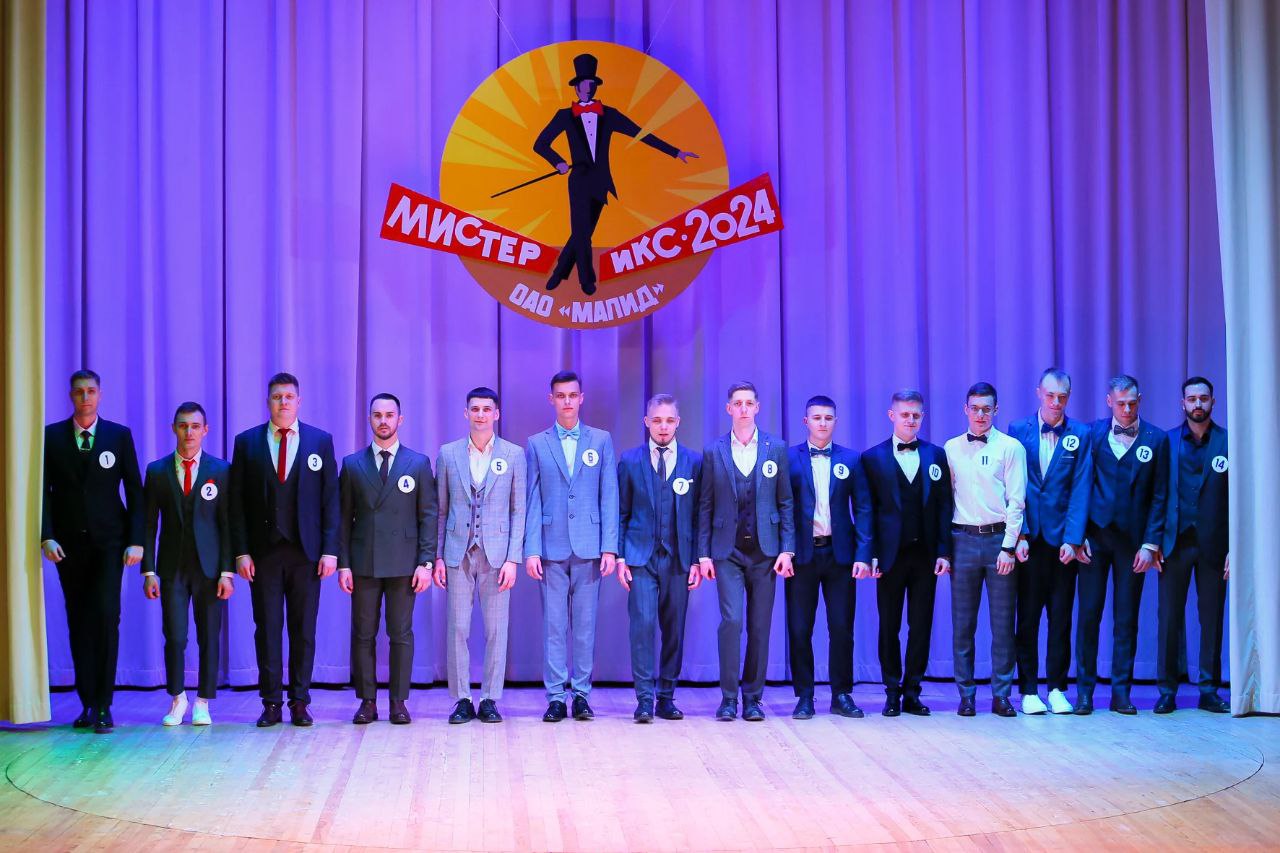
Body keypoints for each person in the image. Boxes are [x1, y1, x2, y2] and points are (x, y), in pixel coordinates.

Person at [533, 53, 698, 295]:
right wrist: (557, 162)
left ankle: (559, 272)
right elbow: (540, 144)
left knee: (581, 232)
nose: (587, 89)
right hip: (579, 180)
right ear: (576, 87)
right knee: (582, 233)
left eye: (591, 84)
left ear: (595, 87)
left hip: (601, 182)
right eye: (584, 84)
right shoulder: (564, 116)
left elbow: (640, 133)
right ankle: (586, 280)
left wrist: (675, 152)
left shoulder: (609, 114)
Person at [230, 372, 340, 727]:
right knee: (267, 628)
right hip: (263, 554)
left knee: (303, 629)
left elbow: (331, 499)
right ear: (268, 402)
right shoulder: (246, 443)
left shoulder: (319, 441)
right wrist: (241, 552)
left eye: (289, 397)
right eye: (277, 397)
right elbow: (236, 504)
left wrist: (330, 550)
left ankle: (300, 701)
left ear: (299, 401)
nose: (283, 403)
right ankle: (271, 703)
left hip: (306, 553)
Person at [41, 369, 144, 733]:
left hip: (109, 543)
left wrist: (136, 540)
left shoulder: (118, 435)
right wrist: (46, 535)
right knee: (78, 620)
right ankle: (86, 703)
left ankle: (104, 703)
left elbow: (135, 491)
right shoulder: (52, 436)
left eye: (91, 391)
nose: (85, 397)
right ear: (71, 396)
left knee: (106, 617)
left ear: (100, 395)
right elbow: (42, 492)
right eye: (79, 392)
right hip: (68, 546)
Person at [697, 381, 795, 722]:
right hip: (727, 552)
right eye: (737, 403)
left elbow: (785, 501)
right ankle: (728, 698)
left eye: (748, 403)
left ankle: (753, 698)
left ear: (757, 407)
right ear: (728, 408)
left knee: (760, 626)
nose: (742, 408)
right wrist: (704, 554)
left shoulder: (775, 448)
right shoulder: (714, 451)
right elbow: (705, 505)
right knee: (732, 621)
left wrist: (787, 549)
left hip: (765, 553)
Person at [524, 370, 619, 722]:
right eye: (560, 396)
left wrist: (609, 547)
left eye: (572, 395)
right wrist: (531, 549)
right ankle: (555, 697)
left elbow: (609, 494)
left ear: (581, 398)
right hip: (551, 549)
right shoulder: (537, 443)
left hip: (589, 547)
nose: (567, 401)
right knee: (553, 627)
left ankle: (581, 694)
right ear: (551, 400)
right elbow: (532, 499)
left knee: (584, 626)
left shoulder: (601, 440)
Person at [337, 393, 437, 725]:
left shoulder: (418, 463)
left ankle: (398, 701)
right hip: (364, 562)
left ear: (400, 420)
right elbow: (343, 519)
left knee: (401, 633)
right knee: (363, 634)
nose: (383, 421)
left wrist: (426, 562)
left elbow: (428, 516)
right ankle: (367, 701)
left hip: (404, 563)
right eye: (377, 415)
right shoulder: (352, 464)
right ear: (370, 419)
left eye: (389, 415)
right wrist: (344, 564)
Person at [434, 387, 527, 724]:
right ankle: (462, 698)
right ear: (466, 413)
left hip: (497, 554)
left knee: (495, 630)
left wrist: (513, 559)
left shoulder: (514, 454)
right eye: (475, 409)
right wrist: (438, 557)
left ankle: (489, 698)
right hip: (458, 551)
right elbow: (440, 510)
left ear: (496, 414)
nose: (481, 415)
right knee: (457, 628)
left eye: (487, 409)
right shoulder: (448, 454)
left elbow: (519, 510)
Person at [1077, 375, 1169, 714]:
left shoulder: (1157, 439)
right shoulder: (1092, 433)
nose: (1127, 409)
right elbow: (1080, 487)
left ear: (1140, 400)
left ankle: (1121, 693)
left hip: (1133, 543)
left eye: (1132, 403)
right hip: (1095, 539)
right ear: (1109, 402)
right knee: (1088, 616)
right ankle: (1084, 693)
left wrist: (1151, 543)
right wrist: (1077, 537)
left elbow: (1160, 495)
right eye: (1121, 404)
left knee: (1126, 619)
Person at [141, 402, 234, 726]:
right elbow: (148, 525)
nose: (189, 432)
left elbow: (228, 525)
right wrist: (149, 571)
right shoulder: (157, 471)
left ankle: (203, 701)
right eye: (183, 426)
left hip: (209, 569)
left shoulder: (221, 471)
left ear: (205, 430)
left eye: (195, 426)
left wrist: (227, 572)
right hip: (172, 568)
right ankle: (178, 698)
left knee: (209, 637)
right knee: (176, 636)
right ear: (174, 429)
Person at [860, 389, 953, 717]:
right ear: (892, 416)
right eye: (905, 415)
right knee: (889, 625)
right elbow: (867, 510)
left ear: (922, 417)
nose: (910, 420)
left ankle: (913, 691)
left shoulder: (936, 455)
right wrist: (870, 553)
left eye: (916, 415)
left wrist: (944, 551)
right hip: (889, 557)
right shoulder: (872, 458)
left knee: (921, 625)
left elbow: (944, 507)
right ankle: (891, 691)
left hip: (925, 556)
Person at [1007, 368, 1092, 715]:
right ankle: (1028, 689)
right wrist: (1020, 534)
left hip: (1062, 544)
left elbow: (1081, 487)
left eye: (1062, 397)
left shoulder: (1081, 434)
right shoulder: (1018, 430)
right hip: (1029, 541)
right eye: (1051, 395)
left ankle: (1057, 687)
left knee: (1061, 618)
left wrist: (1074, 539)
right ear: (1038, 393)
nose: (1056, 402)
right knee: (1027, 618)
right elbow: (1013, 486)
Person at [616, 394, 702, 723]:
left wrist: (697, 559)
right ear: (646, 422)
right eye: (656, 420)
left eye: (669, 420)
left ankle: (666, 697)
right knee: (642, 626)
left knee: (674, 629)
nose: (663, 427)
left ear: (678, 422)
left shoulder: (694, 462)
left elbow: (699, 516)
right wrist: (621, 557)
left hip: (678, 558)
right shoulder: (630, 461)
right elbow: (621, 513)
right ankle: (643, 699)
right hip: (641, 557)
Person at [785, 395, 871, 720]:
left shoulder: (852, 459)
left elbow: (863, 508)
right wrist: (784, 550)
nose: (822, 423)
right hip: (802, 556)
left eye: (828, 418)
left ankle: (841, 694)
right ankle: (805, 695)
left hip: (840, 556)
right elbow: (781, 507)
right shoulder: (788, 458)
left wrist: (863, 554)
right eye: (817, 417)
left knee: (841, 627)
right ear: (806, 421)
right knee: (799, 629)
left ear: (835, 421)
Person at [944, 383, 1026, 718]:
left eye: (986, 409)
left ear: (996, 410)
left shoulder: (1011, 447)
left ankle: (1001, 695)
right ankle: (966, 695)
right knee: (963, 624)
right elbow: (947, 498)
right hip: (962, 540)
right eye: (975, 408)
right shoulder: (950, 448)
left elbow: (1017, 501)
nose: (980, 415)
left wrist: (1009, 546)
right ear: (966, 409)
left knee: (1003, 625)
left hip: (998, 541)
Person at [1155, 377, 1230, 714]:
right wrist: (1153, 541)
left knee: (1211, 620)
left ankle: (1209, 689)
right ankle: (1166, 690)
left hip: (1215, 546)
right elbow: (1157, 496)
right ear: (1182, 403)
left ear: (1213, 401)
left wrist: (1235, 547)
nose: (1197, 404)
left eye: (1203, 398)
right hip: (1174, 545)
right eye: (1191, 399)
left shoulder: (1228, 442)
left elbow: (1240, 499)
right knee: (1169, 619)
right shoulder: (1167, 441)